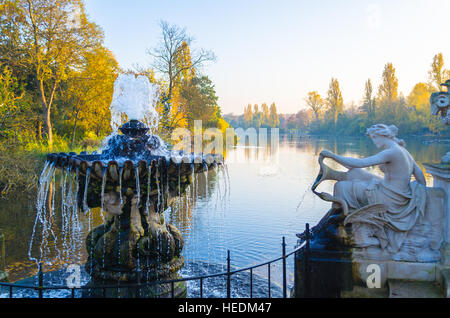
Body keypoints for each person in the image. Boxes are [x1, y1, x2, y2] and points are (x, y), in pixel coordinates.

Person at [319, 124, 427, 251]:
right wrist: (411, 195)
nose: (374, 141)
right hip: (397, 194)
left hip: (389, 198)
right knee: (355, 172)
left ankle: (338, 225)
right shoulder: (404, 151)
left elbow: (361, 163)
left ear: (382, 136)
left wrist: (333, 156)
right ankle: (333, 221)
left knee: (341, 187)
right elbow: (421, 179)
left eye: (374, 138)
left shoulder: (391, 152)